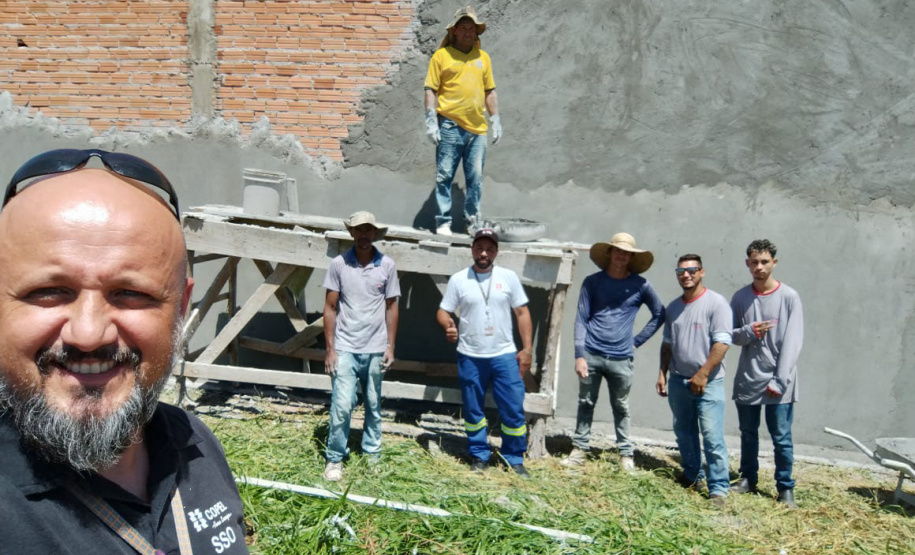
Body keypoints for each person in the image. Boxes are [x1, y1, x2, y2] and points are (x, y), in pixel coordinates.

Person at [0, 149, 249, 553]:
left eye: (131, 293)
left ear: (181, 308)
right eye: (48, 292)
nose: (88, 334)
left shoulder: (192, 441)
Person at [563, 232, 665, 471]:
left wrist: (637, 341)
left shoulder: (640, 285)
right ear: (609, 253)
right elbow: (581, 319)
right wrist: (579, 354)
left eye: (626, 252)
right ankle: (579, 450)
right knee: (586, 402)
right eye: (617, 250)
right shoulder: (593, 282)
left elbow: (660, 313)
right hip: (592, 353)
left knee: (621, 406)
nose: (621, 255)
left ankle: (626, 455)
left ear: (631, 257)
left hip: (621, 357)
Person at [436, 229, 532, 475]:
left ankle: (513, 457)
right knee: (473, 408)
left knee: (512, 406)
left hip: (504, 355)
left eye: (489, 249)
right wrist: (448, 325)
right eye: (479, 248)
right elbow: (443, 310)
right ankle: (479, 454)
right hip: (471, 355)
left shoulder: (508, 277)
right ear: (472, 250)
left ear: (496, 252)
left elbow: (522, 313)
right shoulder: (459, 279)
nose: (484, 253)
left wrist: (527, 349)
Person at [322, 211, 400, 482]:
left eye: (369, 230)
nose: (364, 235)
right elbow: (330, 307)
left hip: (376, 347)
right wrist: (330, 349)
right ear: (352, 233)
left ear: (375, 234)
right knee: (342, 404)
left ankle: (372, 454)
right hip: (345, 346)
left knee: (373, 403)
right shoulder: (339, 264)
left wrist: (390, 346)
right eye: (359, 230)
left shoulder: (387, 265)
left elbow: (392, 306)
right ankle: (334, 458)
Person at [730, 240, 804, 508]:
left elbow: (793, 342)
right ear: (747, 263)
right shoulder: (740, 298)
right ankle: (748, 478)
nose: (759, 267)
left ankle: (785, 488)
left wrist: (779, 379)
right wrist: (749, 331)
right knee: (748, 432)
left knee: (781, 437)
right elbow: (730, 336)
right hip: (749, 377)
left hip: (779, 382)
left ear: (774, 262)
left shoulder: (789, 297)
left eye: (764, 262)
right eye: (754, 262)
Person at [656, 254, 732, 506]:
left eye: (692, 270)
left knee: (711, 435)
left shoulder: (716, 303)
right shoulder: (674, 307)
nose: (686, 275)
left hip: (708, 382)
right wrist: (662, 373)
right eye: (681, 271)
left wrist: (703, 374)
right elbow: (667, 344)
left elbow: (722, 344)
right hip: (678, 380)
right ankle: (692, 476)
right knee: (684, 432)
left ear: (702, 272)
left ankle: (718, 488)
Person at [423, 5, 502, 237]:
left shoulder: (483, 58)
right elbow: (430, 89)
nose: (468, 32)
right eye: (463, 28)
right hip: (449, 124)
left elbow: (490, 91)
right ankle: (443, 222)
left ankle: (472, 222)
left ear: (476, 33)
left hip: (477, 129)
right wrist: (430, 120)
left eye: (472, 28)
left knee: (475, 178)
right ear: (454, 31)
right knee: (445, 174)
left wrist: (496, 119)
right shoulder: (441, 56)